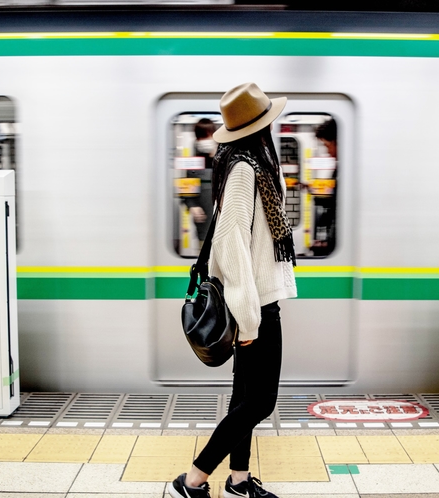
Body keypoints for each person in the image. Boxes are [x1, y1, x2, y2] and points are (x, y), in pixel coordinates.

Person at [168, 83, 297, 498]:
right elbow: (230, 244)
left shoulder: (248, 166)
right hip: (255, 306)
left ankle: (238, 480)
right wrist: (248, 315)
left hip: (259, 302)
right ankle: (192, 480)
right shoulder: (245, 170)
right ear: (260, 128)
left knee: (245, 399)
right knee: (260, 403)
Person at [182, 118, 218, 243]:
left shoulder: (225, 157)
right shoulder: (193, 161)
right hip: (204, 220)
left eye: (208, 136)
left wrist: (216, 156)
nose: (205, 140)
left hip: (224, 218)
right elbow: (187, 187)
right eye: (201, 137)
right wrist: (192, 206)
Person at [311, 119, 337, 256]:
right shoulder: (340, 169)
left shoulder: (345, 170)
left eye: (328, 146)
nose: (328, 151)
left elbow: (336, 203)